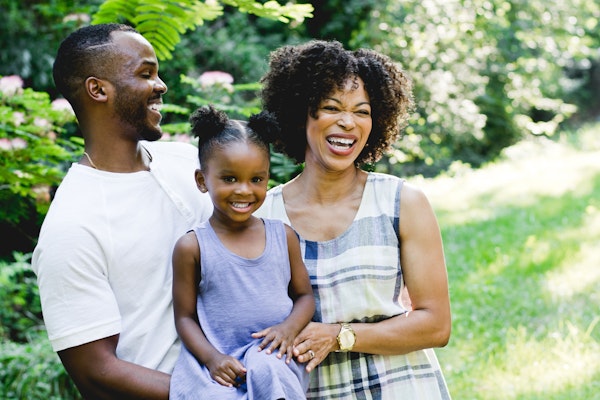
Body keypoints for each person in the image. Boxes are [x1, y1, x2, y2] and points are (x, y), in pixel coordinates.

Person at [255, 40, 452, 399]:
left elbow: (436, 325)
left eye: (362, 112)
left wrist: (339, 336)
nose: (348, 122)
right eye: (332, 108)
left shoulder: (402, 202)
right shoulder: (263, 216)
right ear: (302, 115)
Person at [31, 23, 212, 399]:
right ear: (98, 89)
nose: (161, 85)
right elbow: (96, 372)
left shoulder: (188, 163)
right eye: (146, 74)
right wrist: (213, 394)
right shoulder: (72, 224)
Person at [169, 105, 315, 399]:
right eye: (230, 179)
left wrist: (288, 329)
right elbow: (184, 317)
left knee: (266, 369)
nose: (244, 191)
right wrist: (211, 359)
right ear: (202, 180)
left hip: (274, 354)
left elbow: (305, 297)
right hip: (221, 358)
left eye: (256, 179)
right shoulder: (192, 246)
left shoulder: (282, 236)